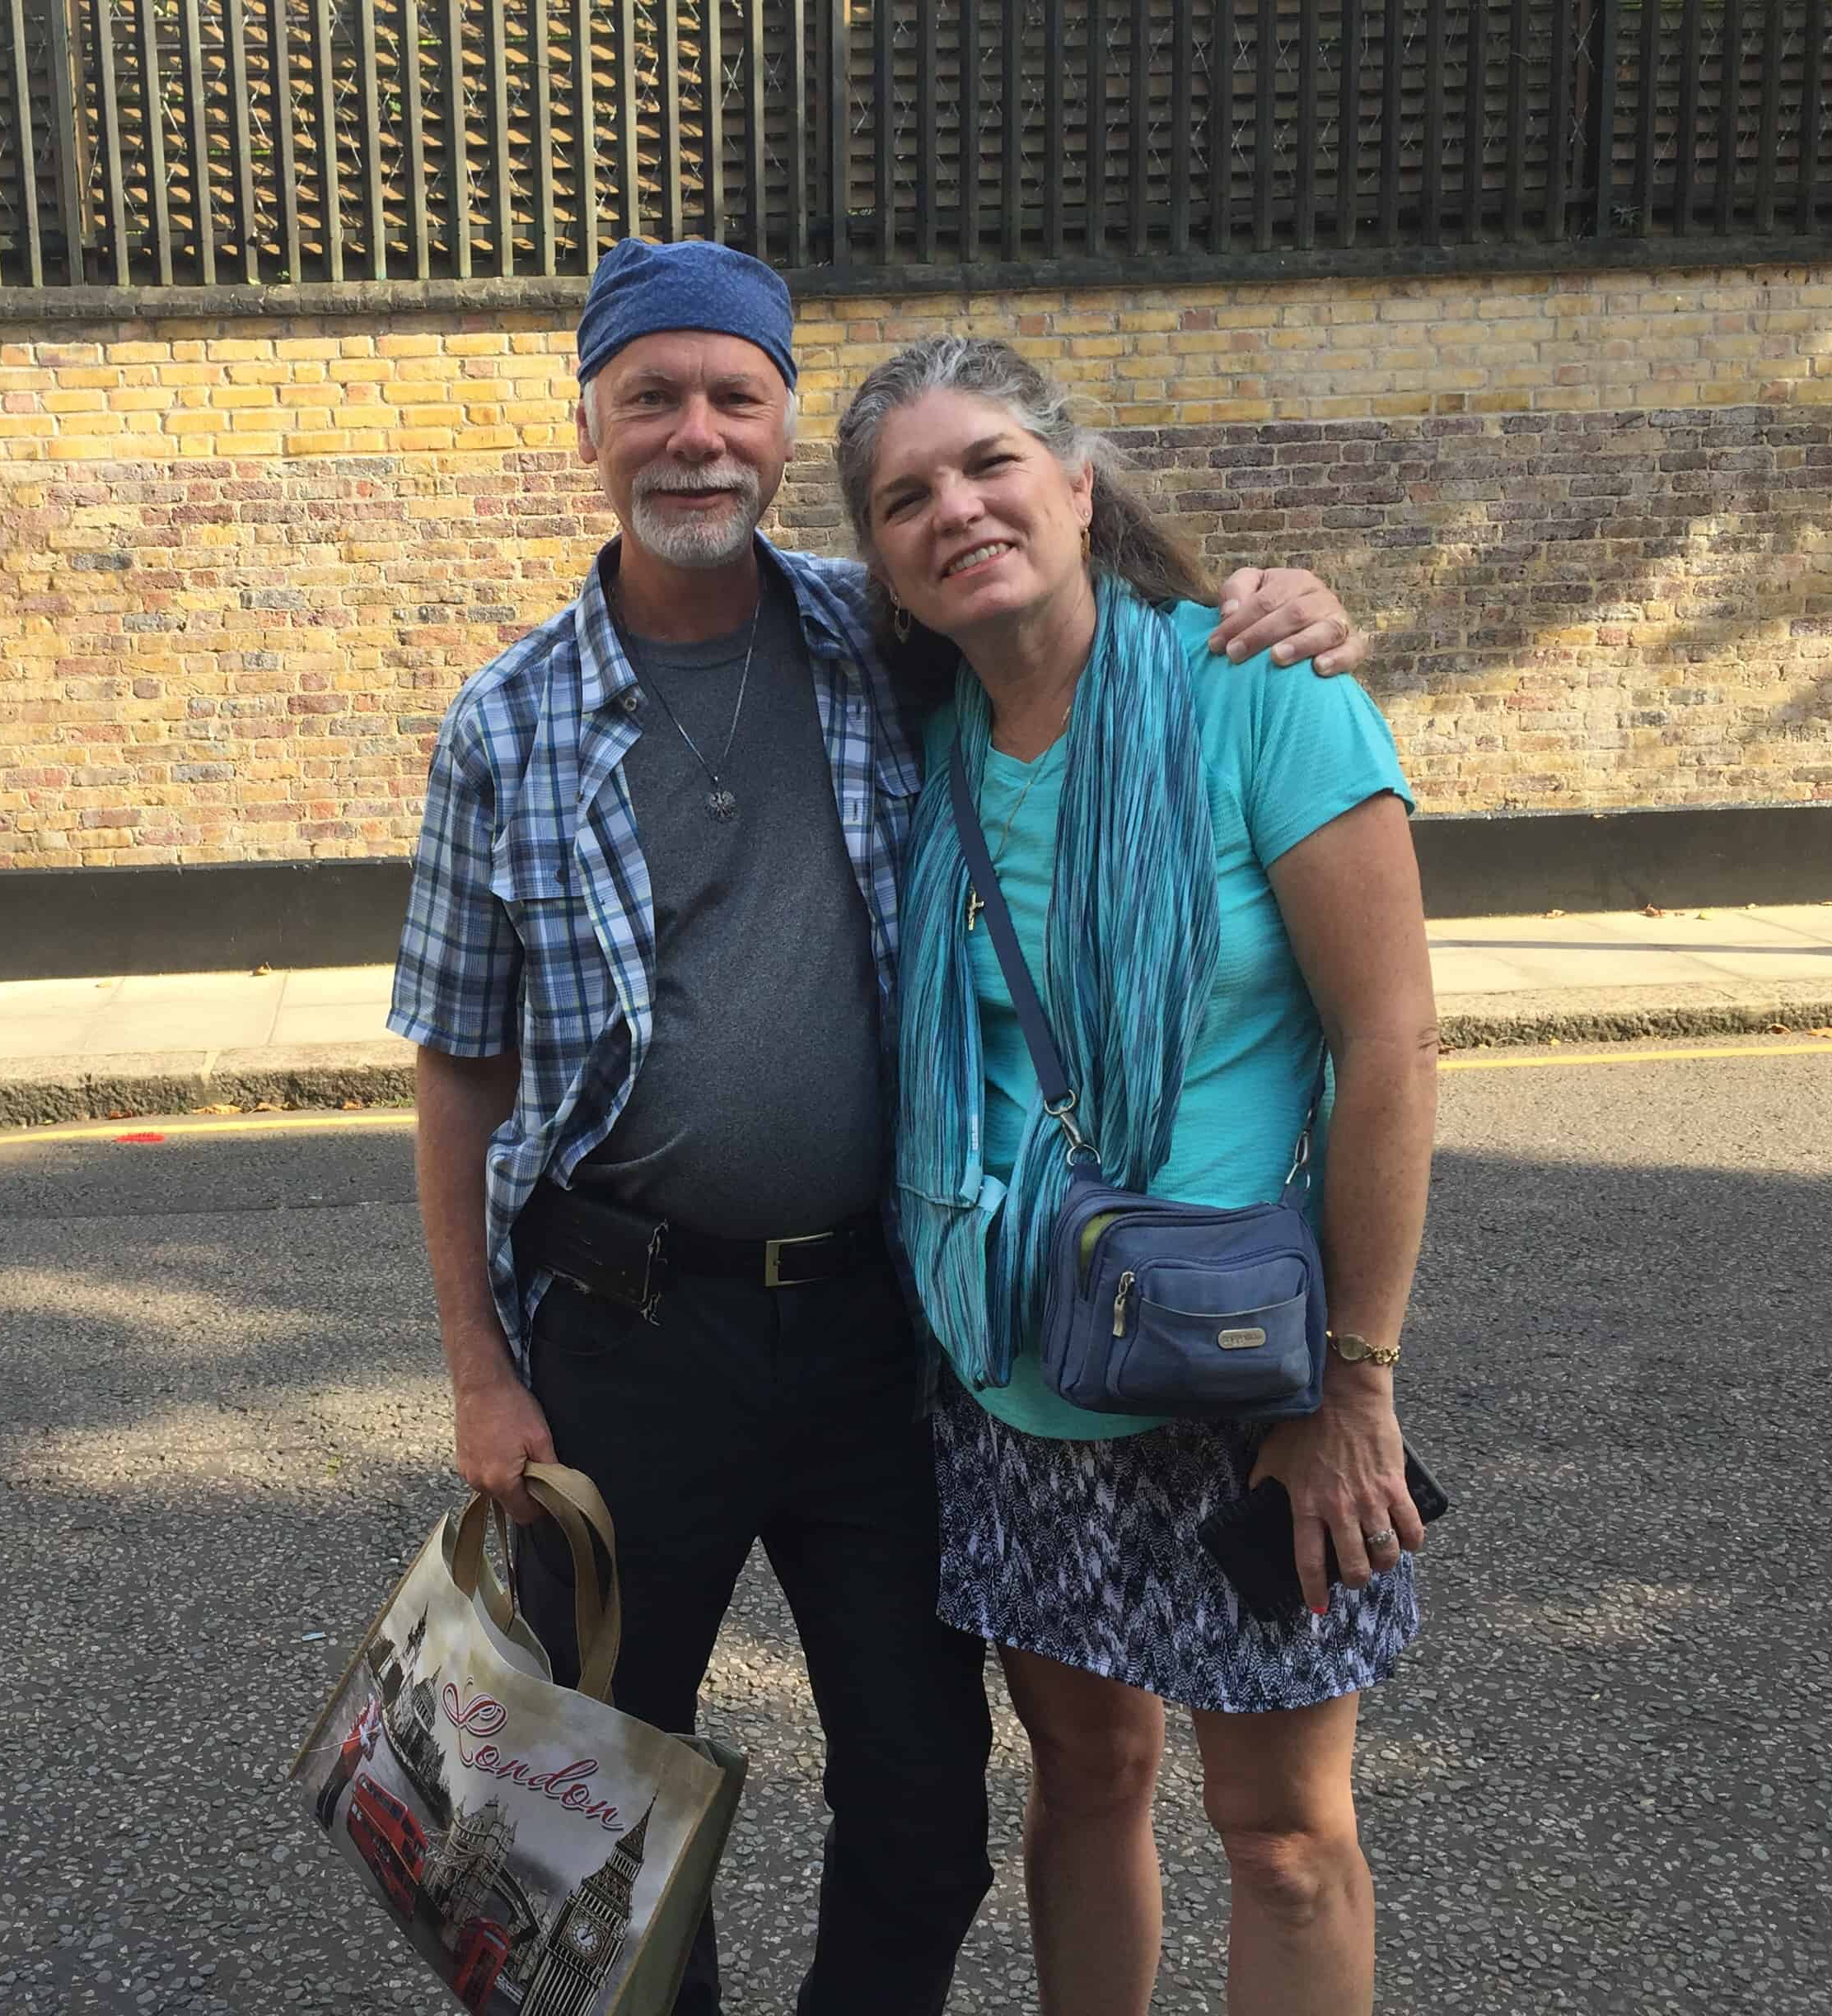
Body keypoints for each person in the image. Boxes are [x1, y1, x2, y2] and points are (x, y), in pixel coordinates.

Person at [391, 239, 1369, 2016]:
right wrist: (477, 1363)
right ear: (590, 428)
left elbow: (1079, 625)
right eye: (651, 399)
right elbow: (457, 1059)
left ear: (775, 432)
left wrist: (1279, 598)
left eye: (736, 398)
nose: (695, 435)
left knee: (924, 1803)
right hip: (621, 1334)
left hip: (881, 1330)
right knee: (579, 1796)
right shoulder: (506, 717)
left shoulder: (886, 633)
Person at [839, 334, 1437, 2016]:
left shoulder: (1267, 691)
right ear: (880, 561)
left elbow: (1389, 1047)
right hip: (1018, 1379)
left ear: (1081, 487)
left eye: (992, 464)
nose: (956, 508)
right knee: (1088, 1776)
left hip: (1258, 1380)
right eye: (906, 497)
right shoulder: (926, 741)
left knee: (1285, 1836)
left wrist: (1358, 1384)